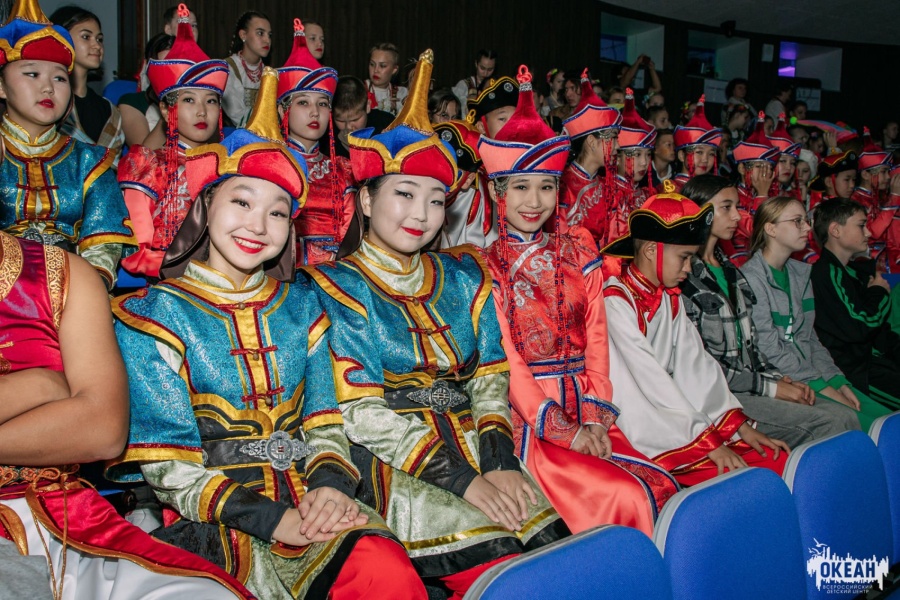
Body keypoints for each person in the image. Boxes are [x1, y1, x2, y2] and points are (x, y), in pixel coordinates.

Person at [108, 67, 426, 600]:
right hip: (215, 518)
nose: (258, 226)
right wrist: (274, 519)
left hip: (315, 500)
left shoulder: (304, 305)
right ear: (206, 204)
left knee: (384, 571)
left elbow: (325, 421)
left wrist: (330, 487)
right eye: (242, 202)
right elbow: (170, 468)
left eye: (278, 212)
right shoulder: (152, 316)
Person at [306, 50, 568, 599]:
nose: (422, 215)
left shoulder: (465, 275)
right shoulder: (335, 285)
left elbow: (490, 380)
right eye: (404, 194)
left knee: (556, 559)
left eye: (434, 200)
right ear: (365, 198)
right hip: (394, 464)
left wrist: (498, 462)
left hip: (477, 447)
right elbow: (360, 413)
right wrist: (465, 481)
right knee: (501, 568)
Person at [480, 65, 677, 535]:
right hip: (530, 422)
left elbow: (597, 338)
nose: (535, 201)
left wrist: (594, 418)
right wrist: (563, 429)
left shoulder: (580, 249)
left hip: (588, 410)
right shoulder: (485, 266)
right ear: (495, 190)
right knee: (625, 495)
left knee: (663, 488)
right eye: (521, 187)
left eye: (546, 186)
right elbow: (507, 363)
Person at [601, 191, 789, 486]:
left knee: (775, 459)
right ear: (651, 250)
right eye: (684, 257)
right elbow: (649, 380)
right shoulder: (616, 301)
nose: (689, 268)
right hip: (639, 421)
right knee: (749, 476)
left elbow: (697, 366)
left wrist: (738, 428)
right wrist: (707, 442)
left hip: (677, 416)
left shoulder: (668, 296)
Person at [680, 175, 860, 442]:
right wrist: (771, 387)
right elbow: (702, 364)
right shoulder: (686, 277)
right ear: (699, 211)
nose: (737, 216)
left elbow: (752, 347)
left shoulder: (731, 271)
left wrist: (780, 379)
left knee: (846, 416)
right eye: (726, 207)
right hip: (722, 395)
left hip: (753, 384)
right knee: (832, 422)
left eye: (737, 207)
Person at [0, 0, 134, 289]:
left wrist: (80, 294)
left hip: (72, 290)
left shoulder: (90, 162)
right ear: (1, 86)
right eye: (32, 74)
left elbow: (102, 249)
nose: (48, 87)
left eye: (60, 78)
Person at [741, 197, 891, 431]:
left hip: (813, 376)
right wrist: (822, 385)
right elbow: (769, 350)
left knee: (887, 421)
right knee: (863, 426)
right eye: (797, 221)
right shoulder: (750, 278)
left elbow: (810, 339)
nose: (807, 228)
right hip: (785, 381)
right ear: (771, 229)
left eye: (806, 221)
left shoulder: (800, 274)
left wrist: (837, 381)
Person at [117, 4, 226, 280]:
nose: (202, 111)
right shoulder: (147, 164)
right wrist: (188, 270)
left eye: (211, 101)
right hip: (168, 284)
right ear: (166, 110)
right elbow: (135, 251)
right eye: (189, 100)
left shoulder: (229, 165)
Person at [277, 17, 355, 266]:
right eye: (303, 102)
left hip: (336, 273)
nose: (315, 112)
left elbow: (350, 238)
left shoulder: (342, 169)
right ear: (282, 110)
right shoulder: (269, 166)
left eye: (322, 104)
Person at [810, 198, 900, 412]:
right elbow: (860, 326)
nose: (868, 233)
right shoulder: (826, 273)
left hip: (875, 361)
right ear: (835, 230)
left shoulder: (853, 272)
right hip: (857, 372)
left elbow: (882, 334)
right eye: (861, 225)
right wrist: (879, 291)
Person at [49, 6, 124, 166]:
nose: (96, 45)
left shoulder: (109, 110)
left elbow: (114, 164)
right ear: (61, 40)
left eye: (99, 39)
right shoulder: (50, 102)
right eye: (86, 37)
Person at [558, 68, 622, 240]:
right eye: (612, 138)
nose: (618, 146)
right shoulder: (562, 187)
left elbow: (613, 241)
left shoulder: (609, 188)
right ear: (592, 142)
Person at [720, 112, 779, 266]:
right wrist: (762, 194)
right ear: (742, 168)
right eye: (759, 167)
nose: (765, 173)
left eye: (769, 168)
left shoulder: (775, 198)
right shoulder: (730, 198)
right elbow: (758, 232)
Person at [605, 88, 655, 250]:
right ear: (617, 157)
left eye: (648, 155)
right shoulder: (606, 194)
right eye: (637, 155)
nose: (644, 162)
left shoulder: (648, 195)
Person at [852, 128, 900, 271]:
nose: (888, 177)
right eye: (883, 172)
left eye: (888, 172)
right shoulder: (855, 200)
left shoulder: (881, 197)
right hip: (867, 258)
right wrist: (894, 198)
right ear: (866, 174)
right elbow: (873, 232)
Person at [118, 32, 173, 147]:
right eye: (162, 66)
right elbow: (143, 154)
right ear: (148, 67)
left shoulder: (200, 100)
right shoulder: (132, 102)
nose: (169, 72)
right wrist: (171, 108)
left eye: (175, 65)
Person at [223, 11, 272, 127]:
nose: (267, 40)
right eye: (260, 33)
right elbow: (236, 113)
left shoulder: (269, 73)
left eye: (269, 35)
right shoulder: (228, 68)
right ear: (243, 35)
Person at [665, 94, 722, 193]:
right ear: (681, 155)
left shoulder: (714, 190)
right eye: (699, 152)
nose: (705, 159)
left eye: (711, 154)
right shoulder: (670, 190)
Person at [330, 75, 395, 158]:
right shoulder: (326, 135)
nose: (348, 127)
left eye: (355, 120)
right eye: (340, 121)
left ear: (368, 106)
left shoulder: (387, 123)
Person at [365, 42, 407, 115]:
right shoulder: (359, 90)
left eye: (382, 66)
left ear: (394, 69)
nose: (376, 70)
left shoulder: (401, 94)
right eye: (372, 64)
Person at [452, 49, 496, 116]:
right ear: (476, 64)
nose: (485, 73)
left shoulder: (496, 86)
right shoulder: (464, 85)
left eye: (490, 69)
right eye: (482, 68)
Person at [768, 114, 802, 199]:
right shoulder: (751, 195)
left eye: (793, 163)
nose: (788, 167)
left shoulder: (789, 196)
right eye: (783, 161)